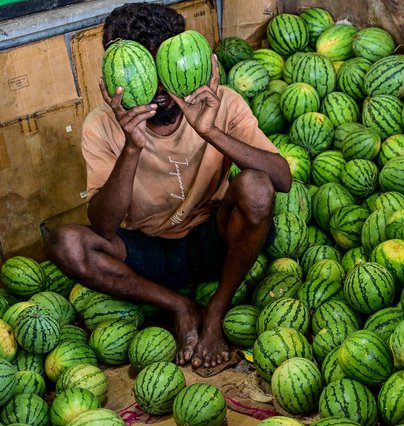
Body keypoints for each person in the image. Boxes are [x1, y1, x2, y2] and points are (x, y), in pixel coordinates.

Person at [46, 2, 292, 369]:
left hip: (215, 239)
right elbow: (104, 226)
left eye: (167, 68)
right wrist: (132, 145)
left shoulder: (222, 103)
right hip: (149, 254)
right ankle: (179, 305)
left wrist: (209, 130)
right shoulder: (102, 125)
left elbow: (282, 179)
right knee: (65, 243)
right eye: (142, 73)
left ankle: (214, 313)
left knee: (256, 187)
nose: (160, 88)